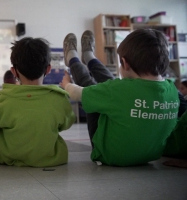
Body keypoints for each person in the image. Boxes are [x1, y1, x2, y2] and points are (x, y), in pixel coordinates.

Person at [60, 29, 179, 166]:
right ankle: (89, 57)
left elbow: (78, 93)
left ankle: (74, 58)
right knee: (112, 88)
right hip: (152, 155)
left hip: (110, 155)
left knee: (92, 87)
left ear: (124, 62)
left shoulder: (118, 89)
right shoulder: (172, 90)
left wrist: (67, 84)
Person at [0, 37, 76, 167]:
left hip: (8, 161)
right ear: (48, 69)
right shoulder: (59, 98)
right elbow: (66, 123)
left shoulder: (4, 98)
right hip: (51, 161)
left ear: (14, 71)